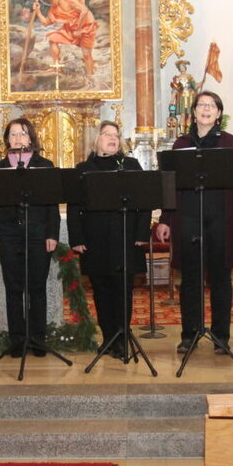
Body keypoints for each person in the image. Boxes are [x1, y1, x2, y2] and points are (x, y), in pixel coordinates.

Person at [156, 91, 233, 354]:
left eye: (212, 106)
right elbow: (170, 185)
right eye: (201, 105)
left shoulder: (229, 141)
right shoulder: (181, 144)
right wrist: (165, 218)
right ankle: (190, 333)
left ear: (219, 113)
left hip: (223, 217)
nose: (206, 109)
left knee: (221, 279)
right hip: (187, 218)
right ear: (194, 112)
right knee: (190, 280)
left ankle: (221, 335)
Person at [67, 121, 150, 358]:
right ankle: (108, 337)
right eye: (107, 134)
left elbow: (144, 203)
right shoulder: (83, 169)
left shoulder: (132, 166)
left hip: (126, 237)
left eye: (116, 134)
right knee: (101, 290)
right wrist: (77, 238)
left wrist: (142, 234)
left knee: (123, 289)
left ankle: (123, 338)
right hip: (94, 239)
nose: (112, 138)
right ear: (97, 140)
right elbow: (74, 207)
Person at [0, 118, 59, 358]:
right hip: (8, 235)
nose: (18, 138)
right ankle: (17, 340)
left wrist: (52, 234)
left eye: (23, 134)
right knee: (13, 289)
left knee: (37, 288)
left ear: (31, 138)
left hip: (38, 234)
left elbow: (52, 205)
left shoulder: (44, 166)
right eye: (14, 134)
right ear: (7, 139)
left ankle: (38, 339)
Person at [32, 0, 98, 79]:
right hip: (71, 29)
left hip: (86, 26)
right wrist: (38, 11)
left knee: (86, 55)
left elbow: (84, 11)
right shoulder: (53, 8)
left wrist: (79, 29)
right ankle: (57, 67)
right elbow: (46, 23)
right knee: (52, 38)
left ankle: (91, 77)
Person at [169, 60, 197, 135]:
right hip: (181, 98)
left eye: (183, 67)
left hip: (189, 98)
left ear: (185, 67)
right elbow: (175, 90)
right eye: (180, 67)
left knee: (190, 115)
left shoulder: (190, 77)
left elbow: (195, 86)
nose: (182, 68)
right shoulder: (177, 78)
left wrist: (202, 82)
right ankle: (181, 132)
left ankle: (188, 131)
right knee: (182, 115)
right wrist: (172, 100)